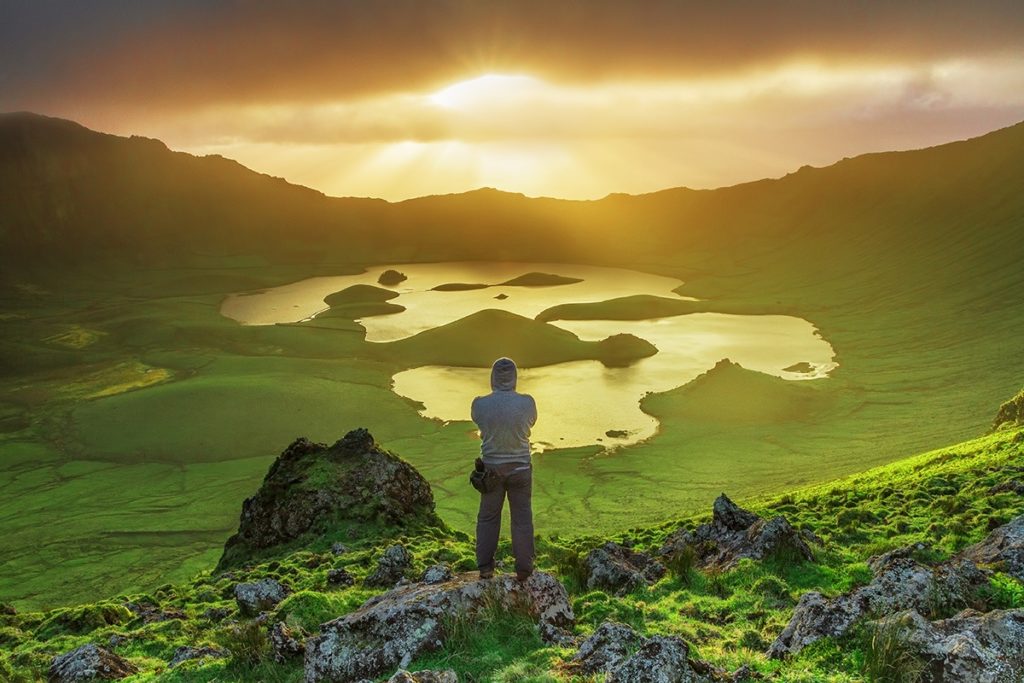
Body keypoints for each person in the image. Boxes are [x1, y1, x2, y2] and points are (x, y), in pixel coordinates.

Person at [471, 357, 537, 581]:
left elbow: (479, 423)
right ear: (514, 378)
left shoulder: (479, 404)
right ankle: (524, 570)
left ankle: (486, 568)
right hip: (521, 469)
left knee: (488, 518)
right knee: (522, 519)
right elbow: (531, 422)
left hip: (491, 471)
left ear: (493, 378)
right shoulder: (527, 402)